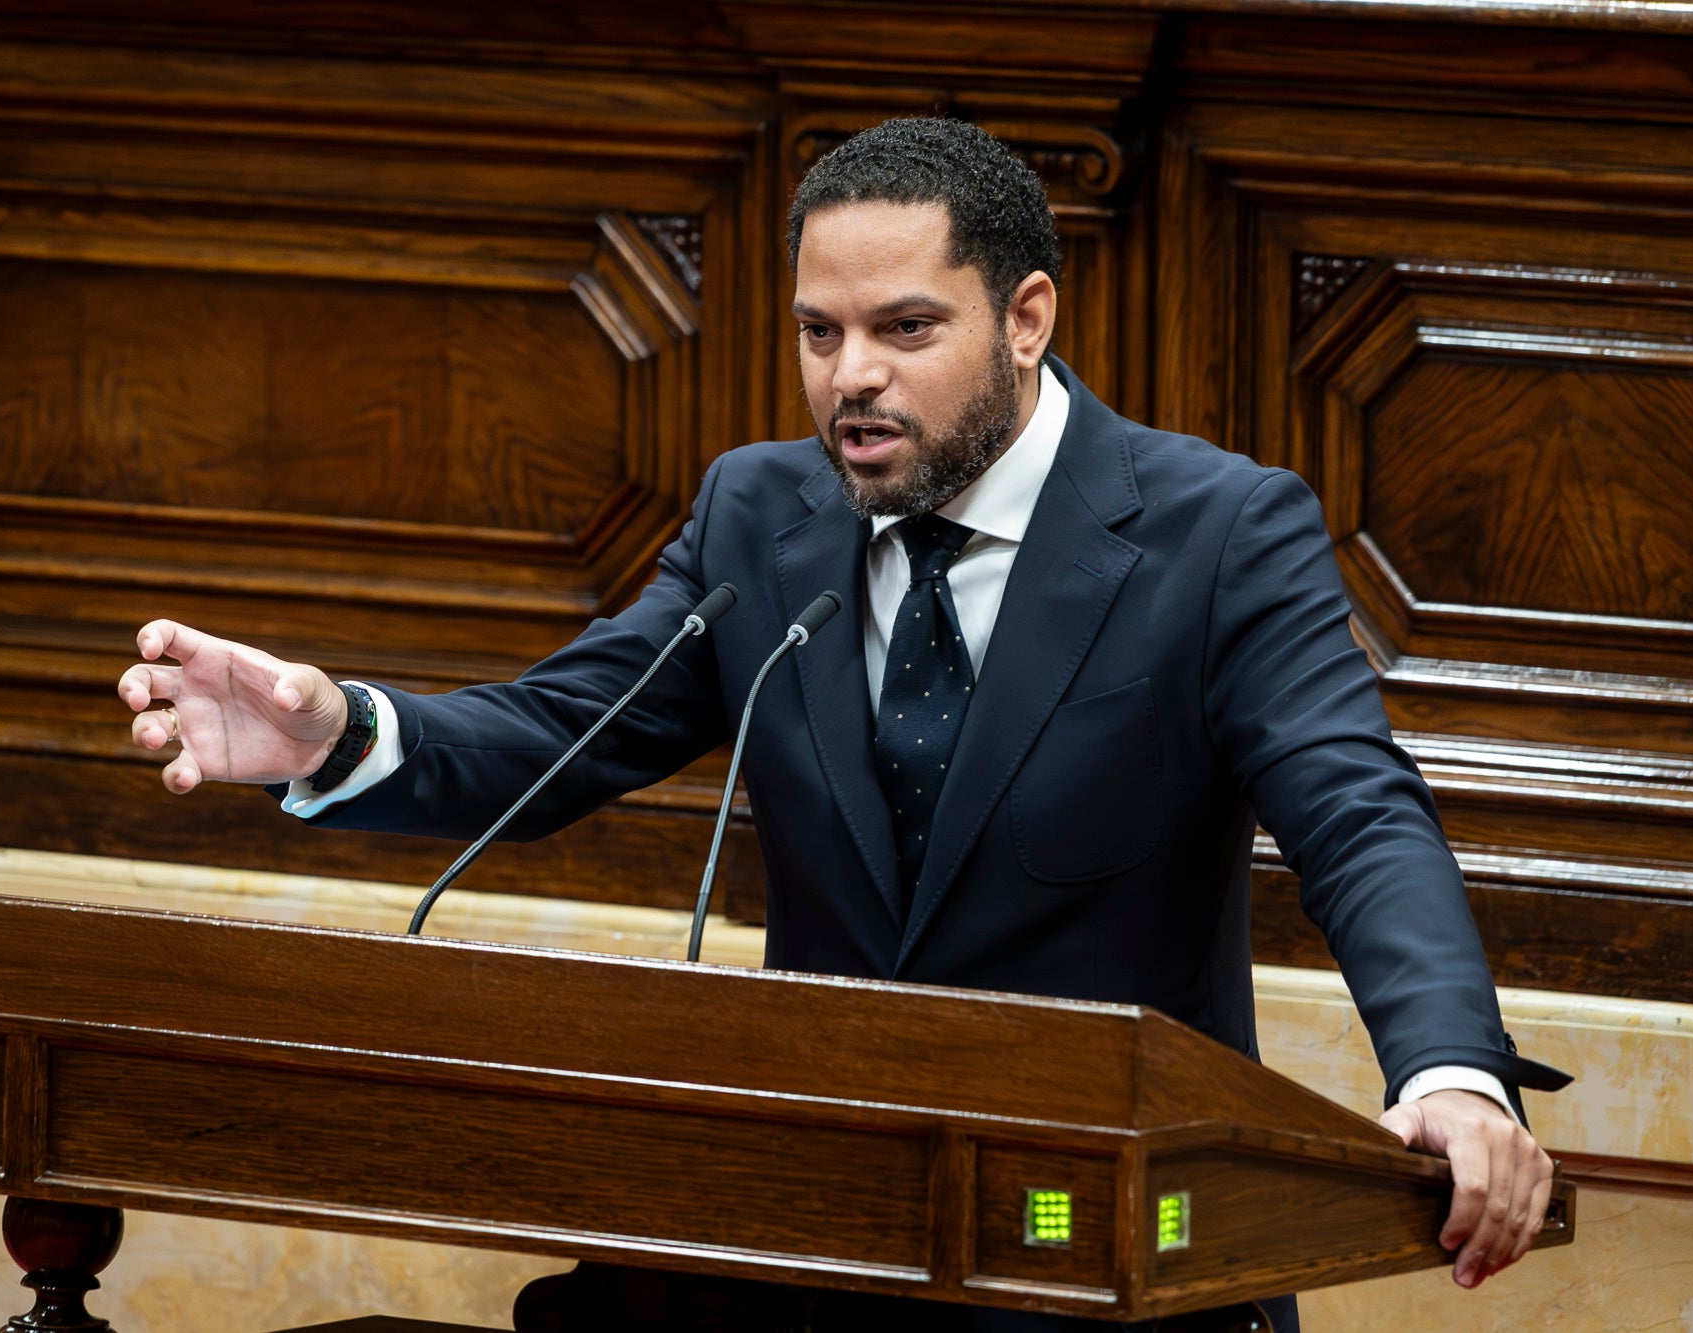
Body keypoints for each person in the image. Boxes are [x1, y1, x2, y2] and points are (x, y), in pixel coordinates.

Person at [119, 118, 1566, 1331]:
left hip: (1099, 1247)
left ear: (1027, 317)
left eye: (903, 329)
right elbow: (561, 733)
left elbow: (1357, 812)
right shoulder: (765, 512)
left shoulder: (1218, 532)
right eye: (820, 332)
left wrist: (1448, 1068)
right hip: (820, 1239)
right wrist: (333, 736)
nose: (849, 378)